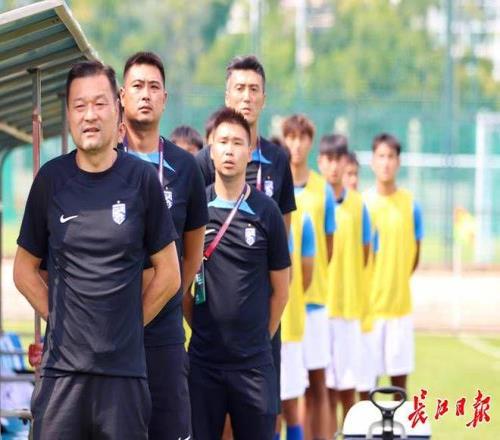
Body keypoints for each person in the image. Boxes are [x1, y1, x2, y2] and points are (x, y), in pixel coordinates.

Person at [13, 60, 180, 439]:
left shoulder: (142, 181)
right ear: (70, 115)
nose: (90, 115)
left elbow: (170, 274)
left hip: (124, 377)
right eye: (79, 105)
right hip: (61, 377)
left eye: (100, 104)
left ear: (118, 109)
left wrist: (129, 324)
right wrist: (60, 318)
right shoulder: (50, 180)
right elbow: (23, 270)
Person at [195, 56, 296, 436]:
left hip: (258, 328)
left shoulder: (278, 160)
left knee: (262, 416)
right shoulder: (203, 164)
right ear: (227, 94)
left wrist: (260, 331)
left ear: (264, 98)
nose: (246, 97)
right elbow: (189, 259)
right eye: (239, 88)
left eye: (254, 89)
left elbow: (281, 247)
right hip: (209, 340)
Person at [120, 51, 208, 440]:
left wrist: (167, 293)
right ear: (121, 95)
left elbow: (192, 251)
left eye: (154, 87)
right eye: (137, 86)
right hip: (110, 330)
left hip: (164, 333)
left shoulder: (185, 168)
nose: (146, 94)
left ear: (165, 98)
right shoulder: (104, 159)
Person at [282, 115, 335, 440]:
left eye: (302, 138)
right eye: (291, 137)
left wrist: (310, 281)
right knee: (285, 390)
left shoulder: (322, 190)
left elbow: (328, 246)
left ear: (311, 142)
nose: (297, 144)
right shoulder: (275, 183)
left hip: (313, 301)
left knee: (317, 384)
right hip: (282, 303)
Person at [318, 135, 371, 436]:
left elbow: (364, 252)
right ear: (320, 162)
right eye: (329, 159)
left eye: (340, 159)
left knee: (348, 385)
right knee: (321, 384)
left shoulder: (358, 205)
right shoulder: (312, 200)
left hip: (349, 307)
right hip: (319, 307)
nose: (335, 166)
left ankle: (349, 432)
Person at [364, 133, 423, 393]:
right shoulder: (363, 204)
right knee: (367, 389)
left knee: (399, 390)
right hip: (369, 311)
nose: (386, 163)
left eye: (391, 157)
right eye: (381, 156)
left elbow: (415, 256)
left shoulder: (410, 205)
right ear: (372, 162)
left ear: (398, 162)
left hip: (400, 310)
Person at [341, 150, 378, 402]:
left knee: (364, 385)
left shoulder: (362, 210)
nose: (352, 180)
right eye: (348, 174)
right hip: (336, 313)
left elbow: (367, 258)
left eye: (355, 174)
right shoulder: (327, 210)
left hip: (362, 312)